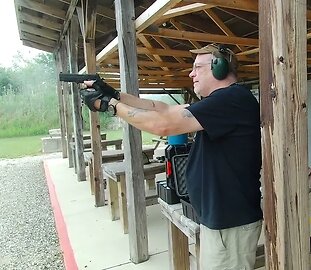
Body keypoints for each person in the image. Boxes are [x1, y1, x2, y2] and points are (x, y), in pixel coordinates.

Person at [81, 44, 263, 270]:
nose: (191, 74)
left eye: (197, 67)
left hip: (230, 222)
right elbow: (162, 109)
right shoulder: (224, 101)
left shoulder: (232, 100)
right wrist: (115, 94)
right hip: (221, 220)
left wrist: (111, 106)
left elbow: (162, 125)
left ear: (219, 68)